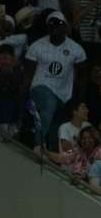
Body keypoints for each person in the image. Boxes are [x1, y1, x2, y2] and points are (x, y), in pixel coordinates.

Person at [25, 11, 87, 150]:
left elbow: (82, 75)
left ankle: (53, 157)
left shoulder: (76, 49)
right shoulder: (37, 46)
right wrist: (24, 95)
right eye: (52, 24)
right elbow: (28, 75)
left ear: (65, 26)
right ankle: (38, 144)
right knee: (49, 104)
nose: (55, 27)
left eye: (59, 24)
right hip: (40, 86)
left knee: (57, 126)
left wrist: (79, 98)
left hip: (64, 93)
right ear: (47, 27)